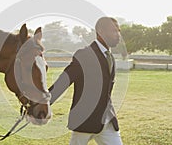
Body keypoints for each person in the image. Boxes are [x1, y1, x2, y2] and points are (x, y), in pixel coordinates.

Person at [49, 17, 123, 145]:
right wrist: (42, 103)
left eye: (118, 31)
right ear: (100, 32)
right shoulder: (85, 54)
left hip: (107, 121)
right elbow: (64, 81)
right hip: (85, 121)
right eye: (114, 31)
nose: (118, 35)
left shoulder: (109, 56)